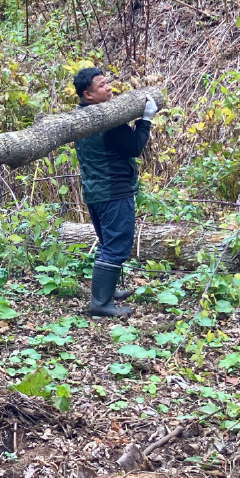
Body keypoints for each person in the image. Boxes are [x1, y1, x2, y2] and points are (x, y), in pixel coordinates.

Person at [72, 68, 158, 317]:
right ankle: (100, 304)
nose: (109, 88)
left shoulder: (80, 117)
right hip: (113, 190)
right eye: (102, 86)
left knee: (109, 243)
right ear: (88, 94)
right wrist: (146, 120)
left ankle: (106, 292)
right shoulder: (107, 120)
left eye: (108, 83)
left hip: (94, 191)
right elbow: (133, 147)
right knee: (116, 246)